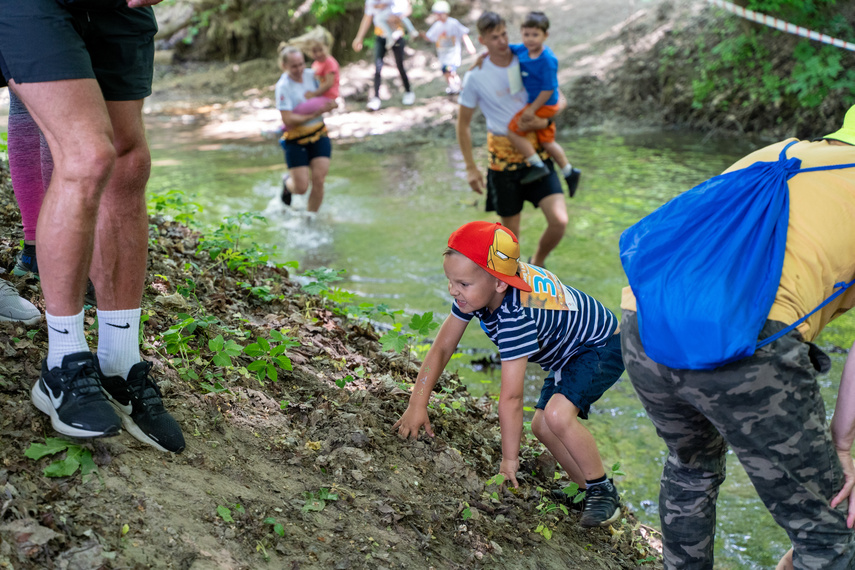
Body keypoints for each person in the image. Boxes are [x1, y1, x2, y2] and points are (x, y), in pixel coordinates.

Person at [620, 107, 855, 568]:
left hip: (642, 323)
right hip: (749, 346)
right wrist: (841, 448)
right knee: (827, 535)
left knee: (691, 469)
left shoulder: (779, 151)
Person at [0, 0, 185, 453]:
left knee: (128, 163)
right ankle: (62, 363)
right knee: (87, 155)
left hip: (117, 9)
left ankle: (119, 363)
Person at [394, 221, 625, 528]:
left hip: (600, 345)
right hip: (568, 350)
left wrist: (509, 462)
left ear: (499, 284)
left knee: (556, 416)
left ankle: (603, 491)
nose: (453, 290)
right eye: (451, 281)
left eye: (462, 284)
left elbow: (512, 397)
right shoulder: (481, 289)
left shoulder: (515, 317)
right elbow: (441, 348)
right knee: (543, 426)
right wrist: (416, 404)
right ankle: (584, 489)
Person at [457, 11, 568, 267]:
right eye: (494, 37)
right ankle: (507, 283)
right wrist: (471, 167)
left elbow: (558, 98)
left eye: (505, 34)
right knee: (510, 237)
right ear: (482, 40)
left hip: (537, 152)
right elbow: (462, 125)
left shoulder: (525, 57)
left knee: (559, 221)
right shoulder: (475, 76)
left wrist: (546, 121)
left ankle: (538, 262)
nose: (502, 42)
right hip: (502, 161)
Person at [507, 11, 580, 194]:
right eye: (526, 34)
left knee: (513, 130)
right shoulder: (523, 49)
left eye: (535, 35)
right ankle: (569, 171)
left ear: (545, 35)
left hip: (545, 103)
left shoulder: (547, 59)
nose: (530, 39)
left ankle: (537, 165)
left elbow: (548, 89)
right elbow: (507, 49)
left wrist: (531, 110)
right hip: (539, 102)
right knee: (547, 141)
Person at [275, 45, 337, 212]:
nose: (299, 69)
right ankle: (288, 184)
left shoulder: (313, 76)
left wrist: (330, 105)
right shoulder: (283, 87)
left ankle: (311, 218)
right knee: (301, 188)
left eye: (302, 64)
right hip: (295, 139)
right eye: (294, 66)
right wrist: (310, 115)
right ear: (284, 66)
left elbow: (330, 94)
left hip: (319, 133)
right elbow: (287, 118)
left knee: (319, 180)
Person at [352, 0, 417, 111]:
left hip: (397, 35)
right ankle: (376, 98)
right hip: (380, 36)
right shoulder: (371, 2)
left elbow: (407, 8)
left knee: (400, 65)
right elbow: (367, 17)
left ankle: (408, 92)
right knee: (377, 67)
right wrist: (359, 37)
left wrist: (395, 16)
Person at [423, 1, 476, 95]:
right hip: (443, 55)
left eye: (440, 14)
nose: (438, 16)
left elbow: (463, 33)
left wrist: (469, 46)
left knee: (451, 70)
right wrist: (421, 35)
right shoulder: (437, 26)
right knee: (446, 72)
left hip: (453, 53)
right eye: (437, 14)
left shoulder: (453, 23)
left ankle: (458, 87)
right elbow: (430, 37)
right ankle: (453, 87)